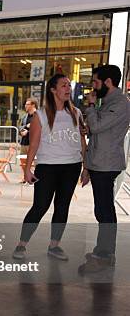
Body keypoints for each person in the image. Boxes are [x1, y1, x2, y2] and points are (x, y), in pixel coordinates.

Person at [12, 74, 86, 261]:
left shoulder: (76, 113)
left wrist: (86, 167)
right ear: (53, 89)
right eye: (63, 85)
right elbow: (34, 144)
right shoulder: (41, 115)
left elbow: (82, 142)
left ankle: (55, 245)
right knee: (40, 206)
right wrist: (27, 169)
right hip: (47, 167)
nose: (68, 88)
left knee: (62, 207)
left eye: (69, 85)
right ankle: (21, 245)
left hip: (72, 166)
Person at [79, 65, 130, 274]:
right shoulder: (109, 102)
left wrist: (91, 107)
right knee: (103, 209)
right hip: (101, 162)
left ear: (108, 82)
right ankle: (103, 252)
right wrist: (89, 127)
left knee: (105, 211)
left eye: (96, 82)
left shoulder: (119, 104)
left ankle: (105, 255)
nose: (93, 87)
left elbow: (99, 126)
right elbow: (99, 129)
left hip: (107, 164)